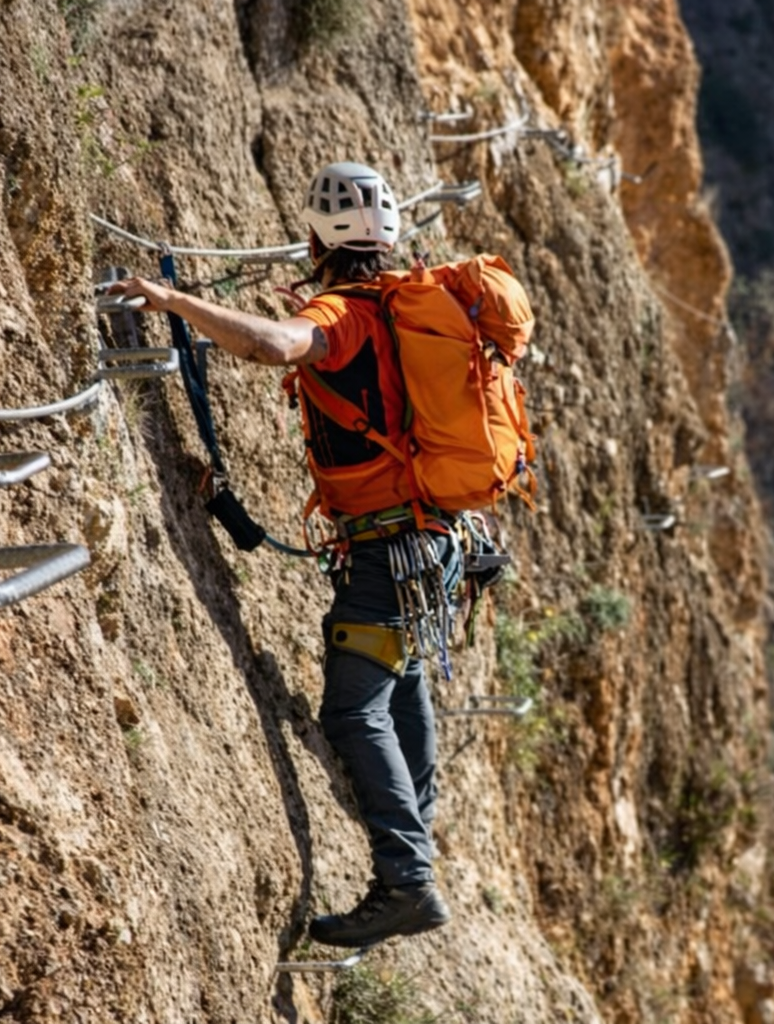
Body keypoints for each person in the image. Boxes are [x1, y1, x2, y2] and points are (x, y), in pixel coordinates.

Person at [111, 162, 460, 948]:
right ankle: (418, 835)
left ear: (314, 239)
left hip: (384, 554)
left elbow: (274, 345)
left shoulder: (342, 313)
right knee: (402, 687)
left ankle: (406, 879)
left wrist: (172, 301)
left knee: (353, 707)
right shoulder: (407, 308)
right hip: (433, 542)